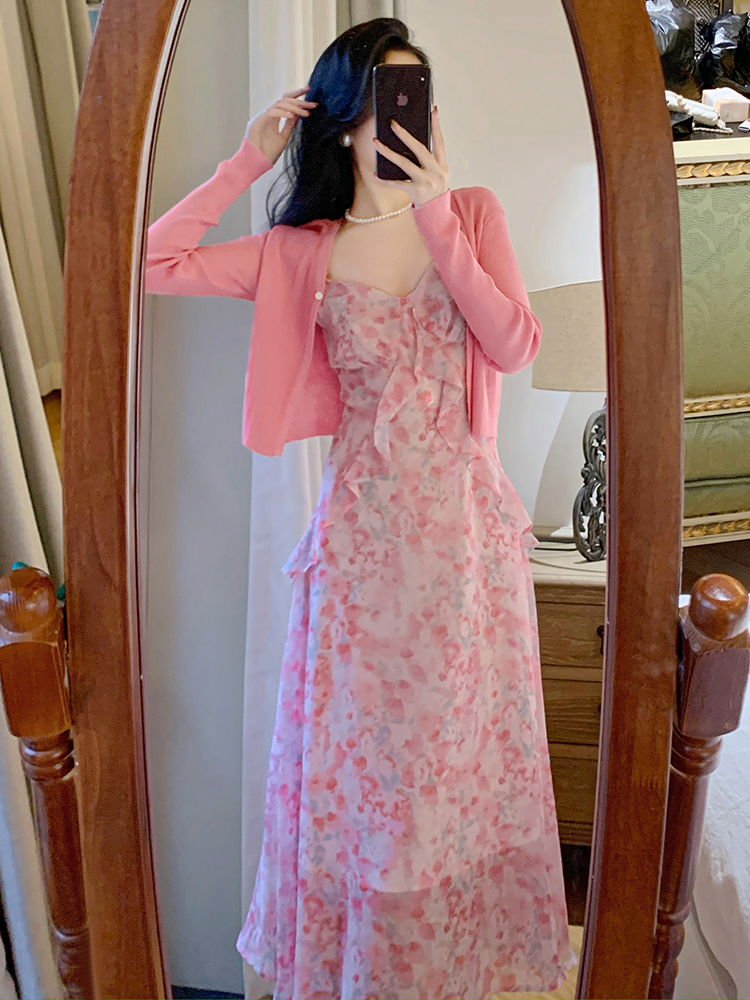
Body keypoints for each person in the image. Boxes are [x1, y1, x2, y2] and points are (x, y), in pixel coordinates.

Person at [145, 17, 575, 1000]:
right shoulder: (300, 251)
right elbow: (154, 262)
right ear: (342, 121)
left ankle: (455, 972)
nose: (406, 119)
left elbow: (514, 346)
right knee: (374, 789)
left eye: (418, 98)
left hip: (466, 547)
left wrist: (434, 215)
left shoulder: (470, 214)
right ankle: (374, 975)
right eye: (384, 100)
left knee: (459, 777)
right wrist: (243, 161)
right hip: (362, 555)